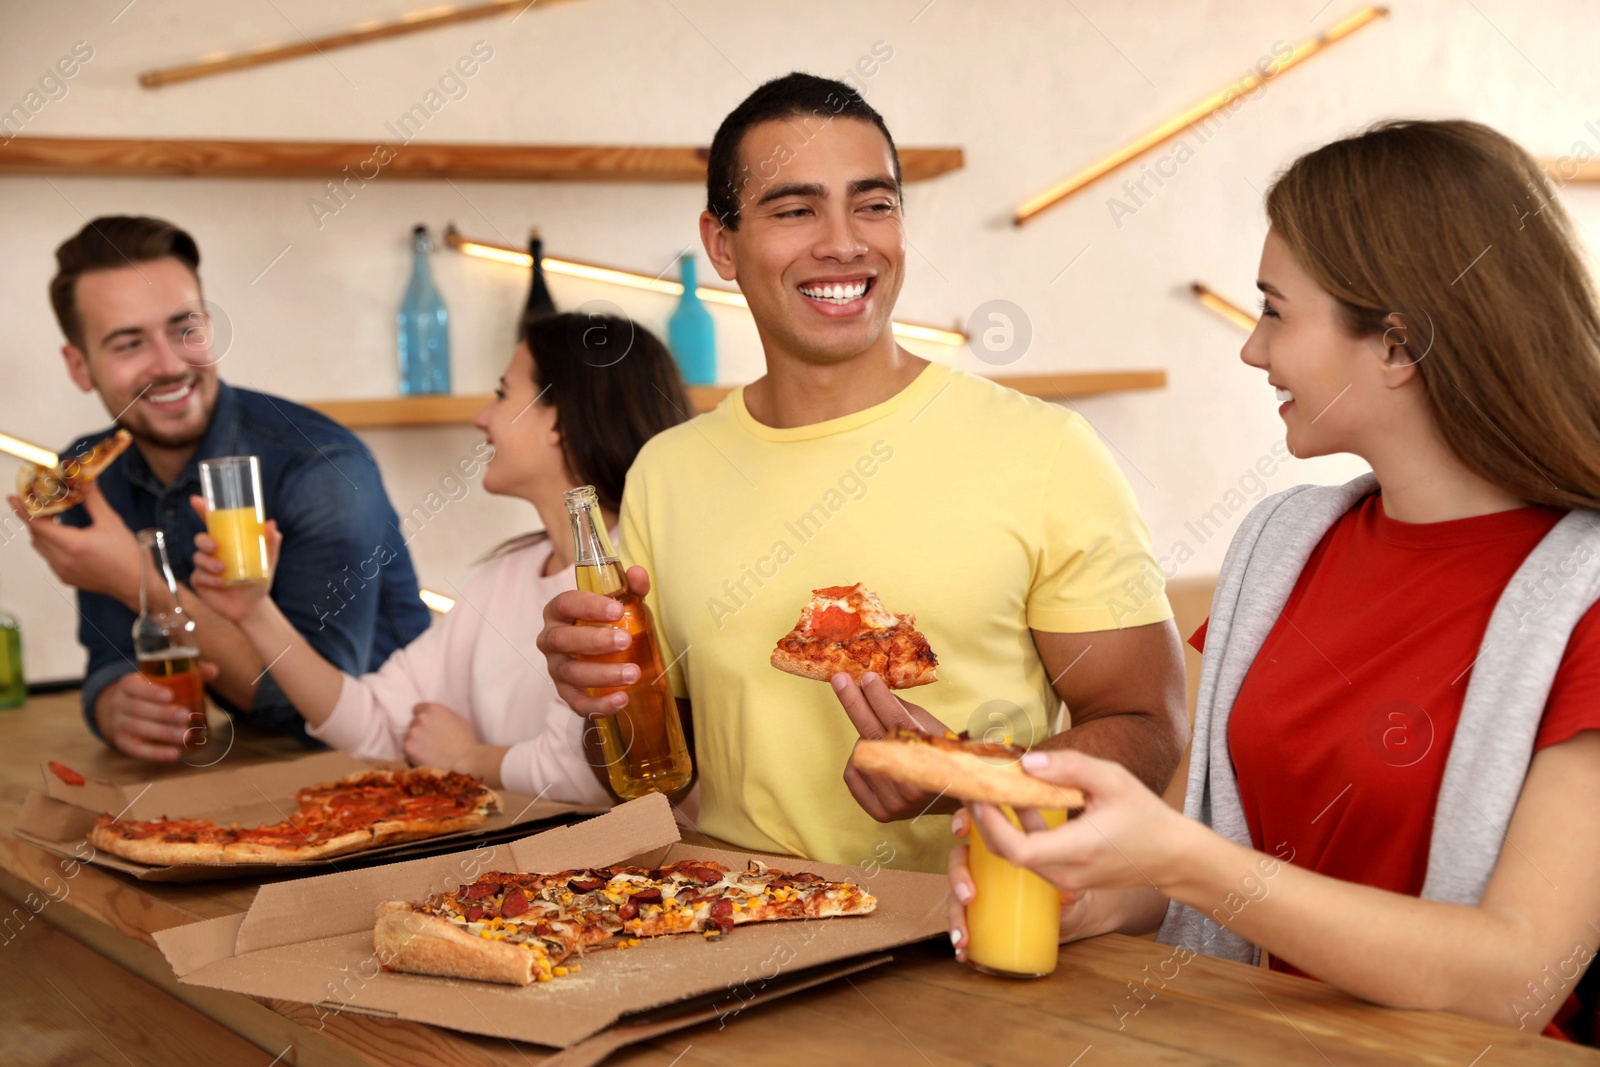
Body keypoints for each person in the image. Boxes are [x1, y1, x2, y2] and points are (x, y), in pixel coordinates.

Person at [946, 120, 1600, 1040]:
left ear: (1398, 346)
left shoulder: (1584, 597)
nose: (1252, 351)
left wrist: (1186, 863)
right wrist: (1086, 893)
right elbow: (1185, 852)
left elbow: (1518, 974)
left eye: (1275, 311)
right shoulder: (1281, 545)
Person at [536, 73, 1188, 873]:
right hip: (739, 930)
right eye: (795, 208)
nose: (844, 242)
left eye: (873, 205)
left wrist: (956, 775)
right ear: (721, 244)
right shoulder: (667, 472)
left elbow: (1151, 731)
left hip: (973, 940)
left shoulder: (1046, 450)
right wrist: (601, 701)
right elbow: (653, 774)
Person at [188, 312, 691, 804]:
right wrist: (255, 613)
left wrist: (467, 757)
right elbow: (374, 721)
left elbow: (591, 777)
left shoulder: (631, 577)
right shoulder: (505, 576)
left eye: (500, 394)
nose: (482, 417)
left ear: (557, 419)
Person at [11, 216, 431, 760]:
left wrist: (137, 578)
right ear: (79, 366)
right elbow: (112, 658)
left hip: (402, 769)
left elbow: (317, 715)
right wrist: (117, 708)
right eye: (128, 343)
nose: (169, 365)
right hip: (242, 770)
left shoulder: (323, 467)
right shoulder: (90, 474)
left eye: (184, 328)